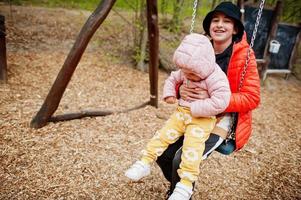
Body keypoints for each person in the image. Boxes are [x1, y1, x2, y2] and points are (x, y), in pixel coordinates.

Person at [156, 1, 261, 199]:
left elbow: (252, 97)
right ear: (209, 25)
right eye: (215, 20)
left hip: (221, 117)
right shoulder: (199, 47)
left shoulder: (244, 55)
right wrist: (179, 91)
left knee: (182, 158)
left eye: (226, 21)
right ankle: (181, 188)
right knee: (163, 154)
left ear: (235, 28)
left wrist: (216, 99)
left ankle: (177, 193)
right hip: (193, 111)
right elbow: (181, 76)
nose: (219, 25)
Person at [125, 33, 231, 200]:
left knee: (191, 150)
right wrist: (170, 94)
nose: (187, 76)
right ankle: (144, 162)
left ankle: (185, 186)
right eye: (185, 72)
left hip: (202, 119)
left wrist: (195, 107)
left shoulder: (216, 77)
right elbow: (172, 79)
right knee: (161, 136)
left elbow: (222, 101)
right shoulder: (188, 68)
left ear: (205, 66)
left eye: (192, 74)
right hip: (181, 114)